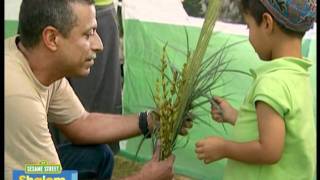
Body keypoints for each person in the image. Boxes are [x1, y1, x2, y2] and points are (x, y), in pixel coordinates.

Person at [5, 0, 192, 179]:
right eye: (88, 34)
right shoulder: (18, 97)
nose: (99, 45)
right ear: (52, 38)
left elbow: (81, 123)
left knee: (97, 155)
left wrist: (151, 120)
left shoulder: (37, 63)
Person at [195, 0, 316, 179]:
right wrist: (234, 116)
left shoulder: (272, 83)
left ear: (267, 23)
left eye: (248, 26)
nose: (249, 35)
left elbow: (269, 151)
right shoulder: (298, 75)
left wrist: (223, 148)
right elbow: (277, 131)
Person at [56, 0, 122, 153]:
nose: (98, 45)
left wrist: (146, 121)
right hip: (52, 11)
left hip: (96, 11)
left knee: (94, 110)